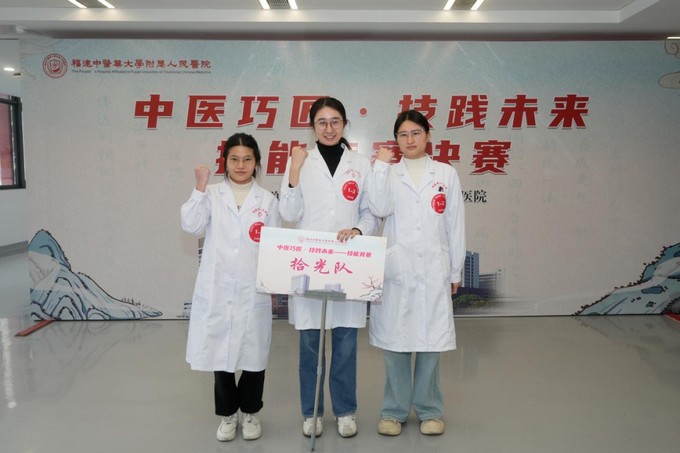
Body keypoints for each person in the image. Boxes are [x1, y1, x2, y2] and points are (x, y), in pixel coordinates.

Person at [279, 97, 380, 438]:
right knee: (310, 344)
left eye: (335, 121)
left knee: (346, 343)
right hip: (310, 263)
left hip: (347, 262)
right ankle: (312, 412)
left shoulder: (360, 164)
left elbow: (370, 212)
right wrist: (294, 172)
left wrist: (359, 230)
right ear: (312, 127)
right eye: (321, 122)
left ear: (345, 124)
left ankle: (345, 411)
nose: (329, 128)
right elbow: (289, 213)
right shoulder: (300, 161)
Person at [367, 110, 466, 436]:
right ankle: (393, 412)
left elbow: (454, 224)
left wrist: (455, 270)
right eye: (403, 134)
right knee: (395, 343)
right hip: (399, 269)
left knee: (430, 343)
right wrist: (380, 168)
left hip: (434, 269)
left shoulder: (446, 174)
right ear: (395, 140)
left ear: (428, 135)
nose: (409, 140)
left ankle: (430, 411)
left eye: (416, 133)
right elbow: (379, 209)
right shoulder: (388, 173)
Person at [181, 132, 281, 442]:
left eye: (247, 159)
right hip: (218, 288)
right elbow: (191, 225)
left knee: (254, 354)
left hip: (254, 289)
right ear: (224, 162)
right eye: (234, 159)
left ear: (257, 162)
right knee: (220, 353)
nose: (240, 165)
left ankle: (250, 411)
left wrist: (273, 286)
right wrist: (199, 186)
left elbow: (273, 247)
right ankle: (228, 413)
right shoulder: (211, 194)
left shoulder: (267, 200)